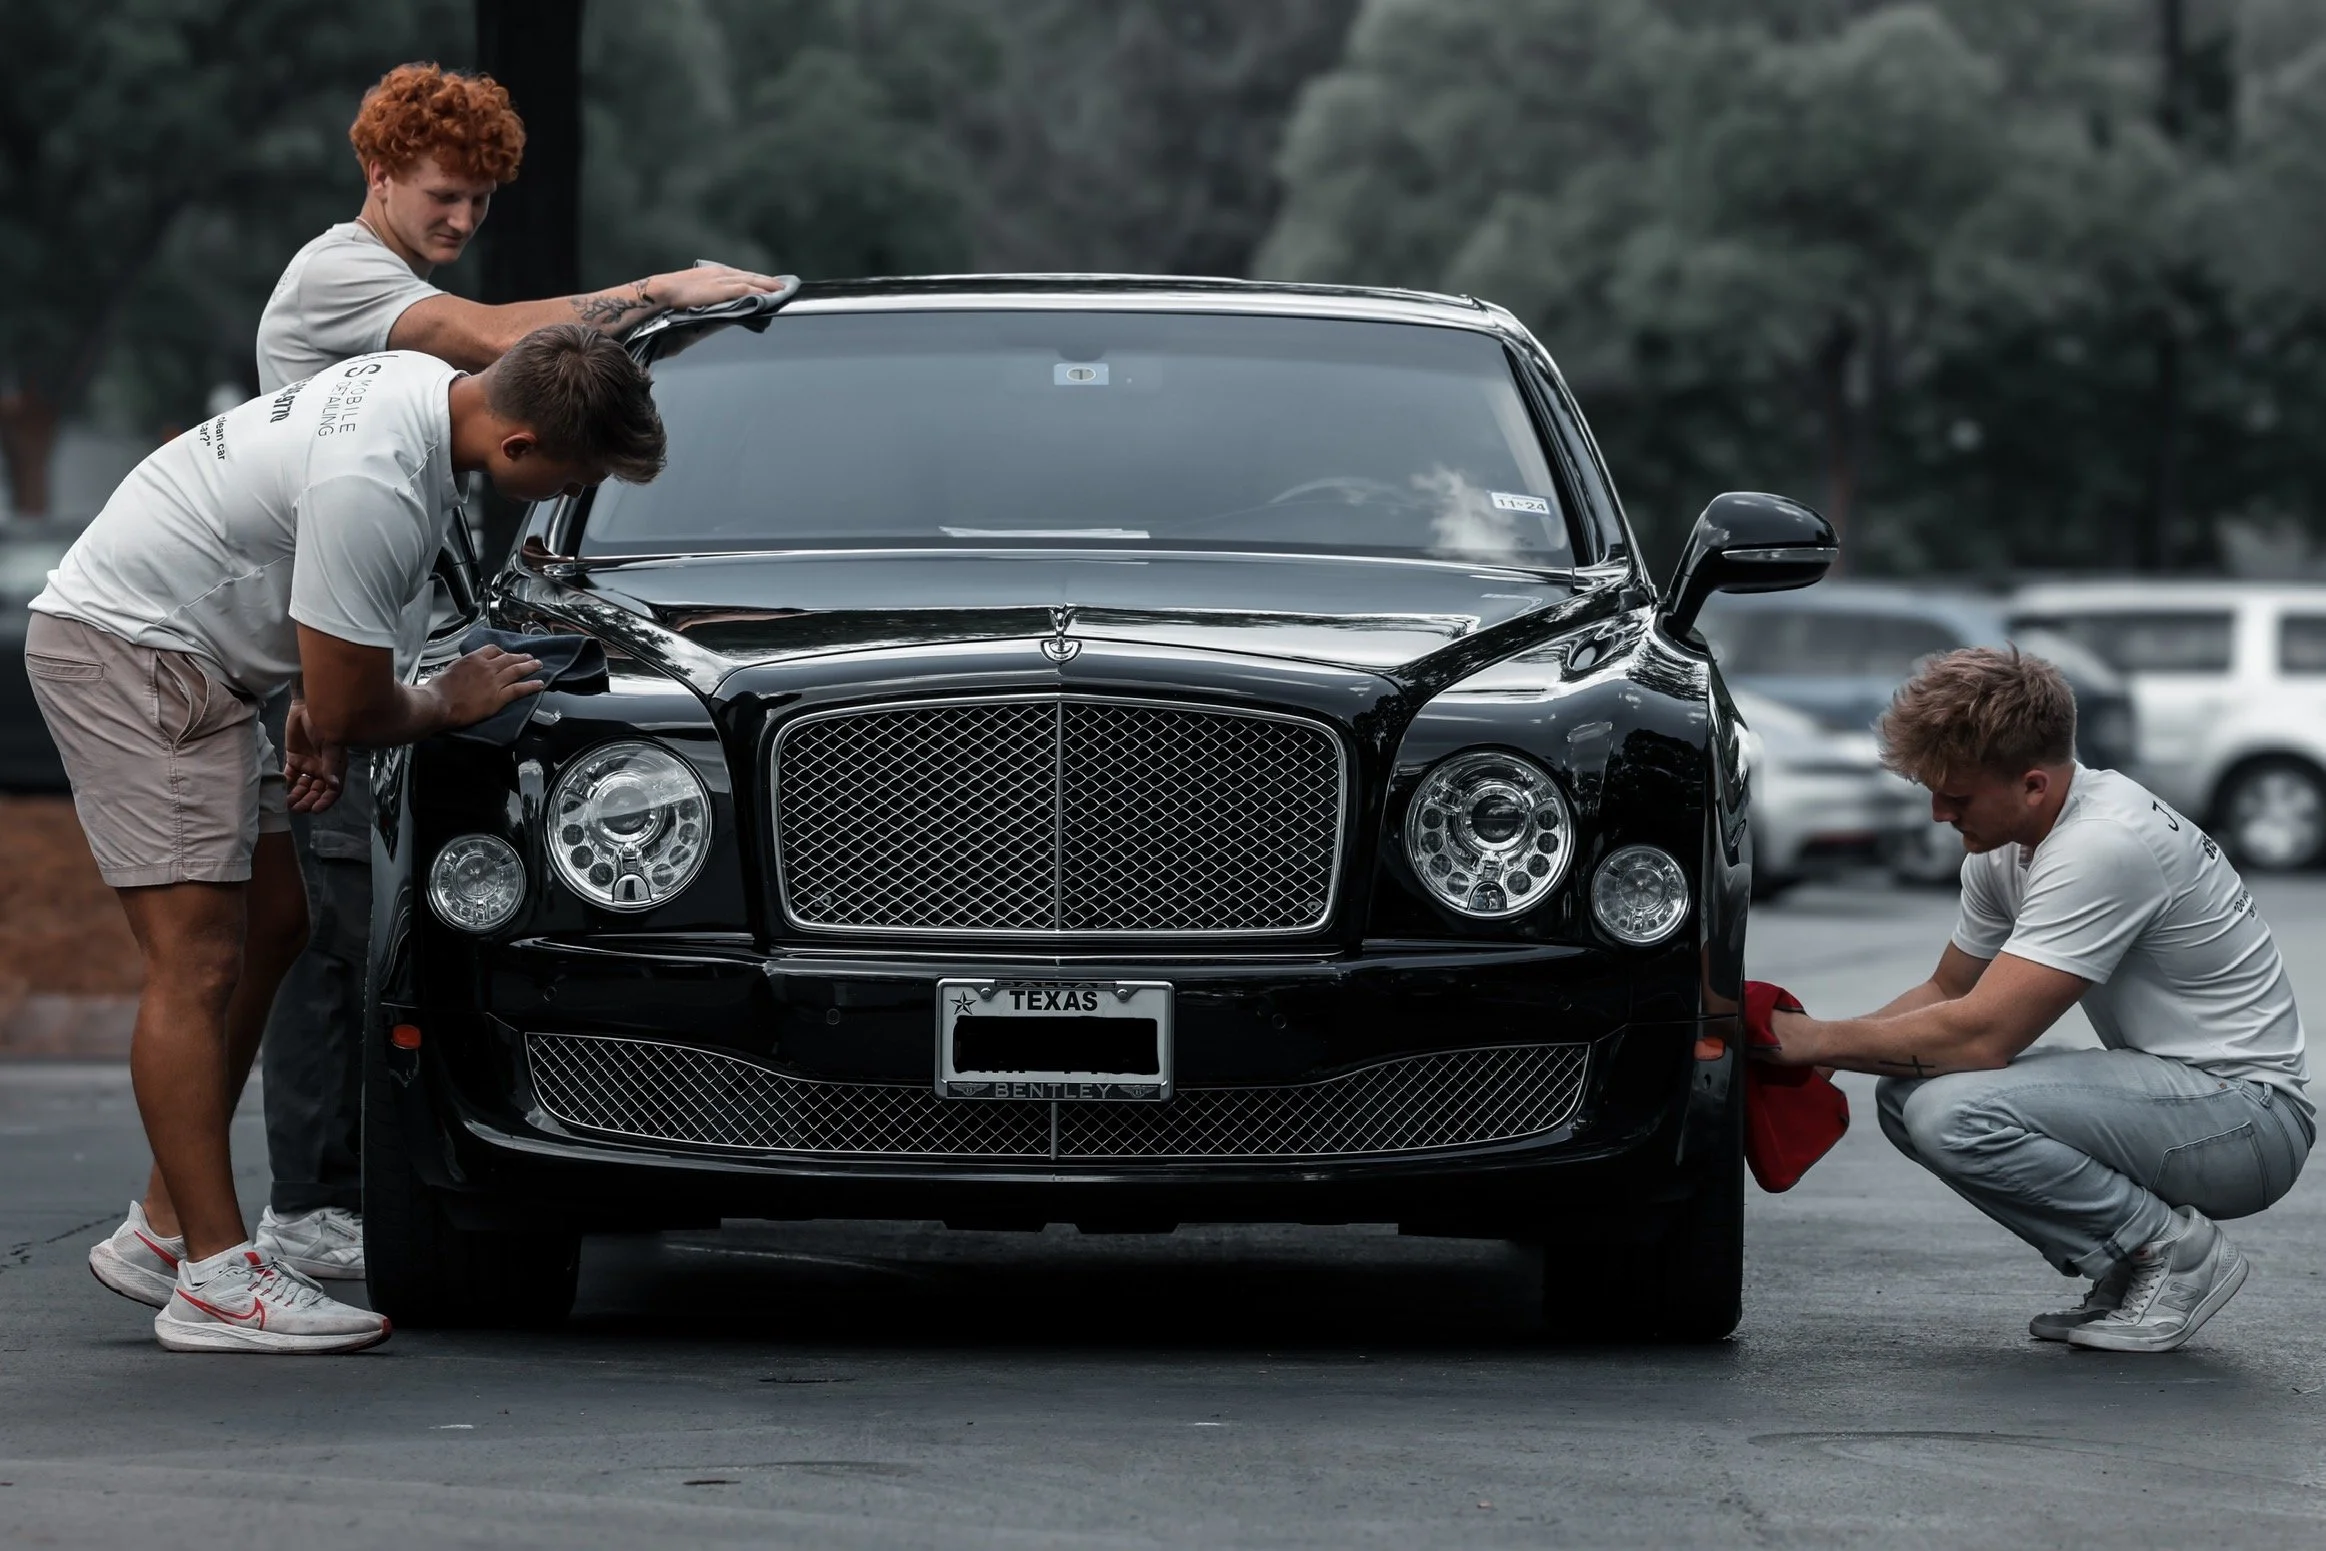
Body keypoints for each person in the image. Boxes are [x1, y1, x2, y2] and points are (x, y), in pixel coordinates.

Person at [247, 62, 783, 1282]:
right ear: (376, 173)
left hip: (386, 631)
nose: (460, 222)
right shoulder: (338, 273)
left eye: (481, 202)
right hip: (334, 637)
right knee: (336, 934)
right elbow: (497, 343)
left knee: (361, 919)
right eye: (442, 195)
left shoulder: (385, 277)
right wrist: (668, 290)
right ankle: (307, 1204)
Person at [30, 326, 665, 1352]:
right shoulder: (380, 476)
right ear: (518, 447)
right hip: (135, 653)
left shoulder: (422, 393)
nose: (569, 487)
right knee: (194, 965)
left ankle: (160, 1230)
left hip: (212, 660)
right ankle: (216, 1282)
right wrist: (439, 701)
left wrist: (314, 686)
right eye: (574, 471)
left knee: (278, 922)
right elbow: (362, 710)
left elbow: (310, 601)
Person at [1755, 648, 2311, 1352]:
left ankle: (2172, 1254)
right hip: (2186, 1099)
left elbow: (1984, 1038)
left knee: (1951, 1107)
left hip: (2248, 1122)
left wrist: (1813, 1040)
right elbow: (1949, 990)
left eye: (1956, 796)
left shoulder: (2102, 844)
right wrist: (1819, 1052)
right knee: (1906, 1089)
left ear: (2033, 783)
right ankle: (2130, 1267)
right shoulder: (2009, 841)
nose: (1936, 812)